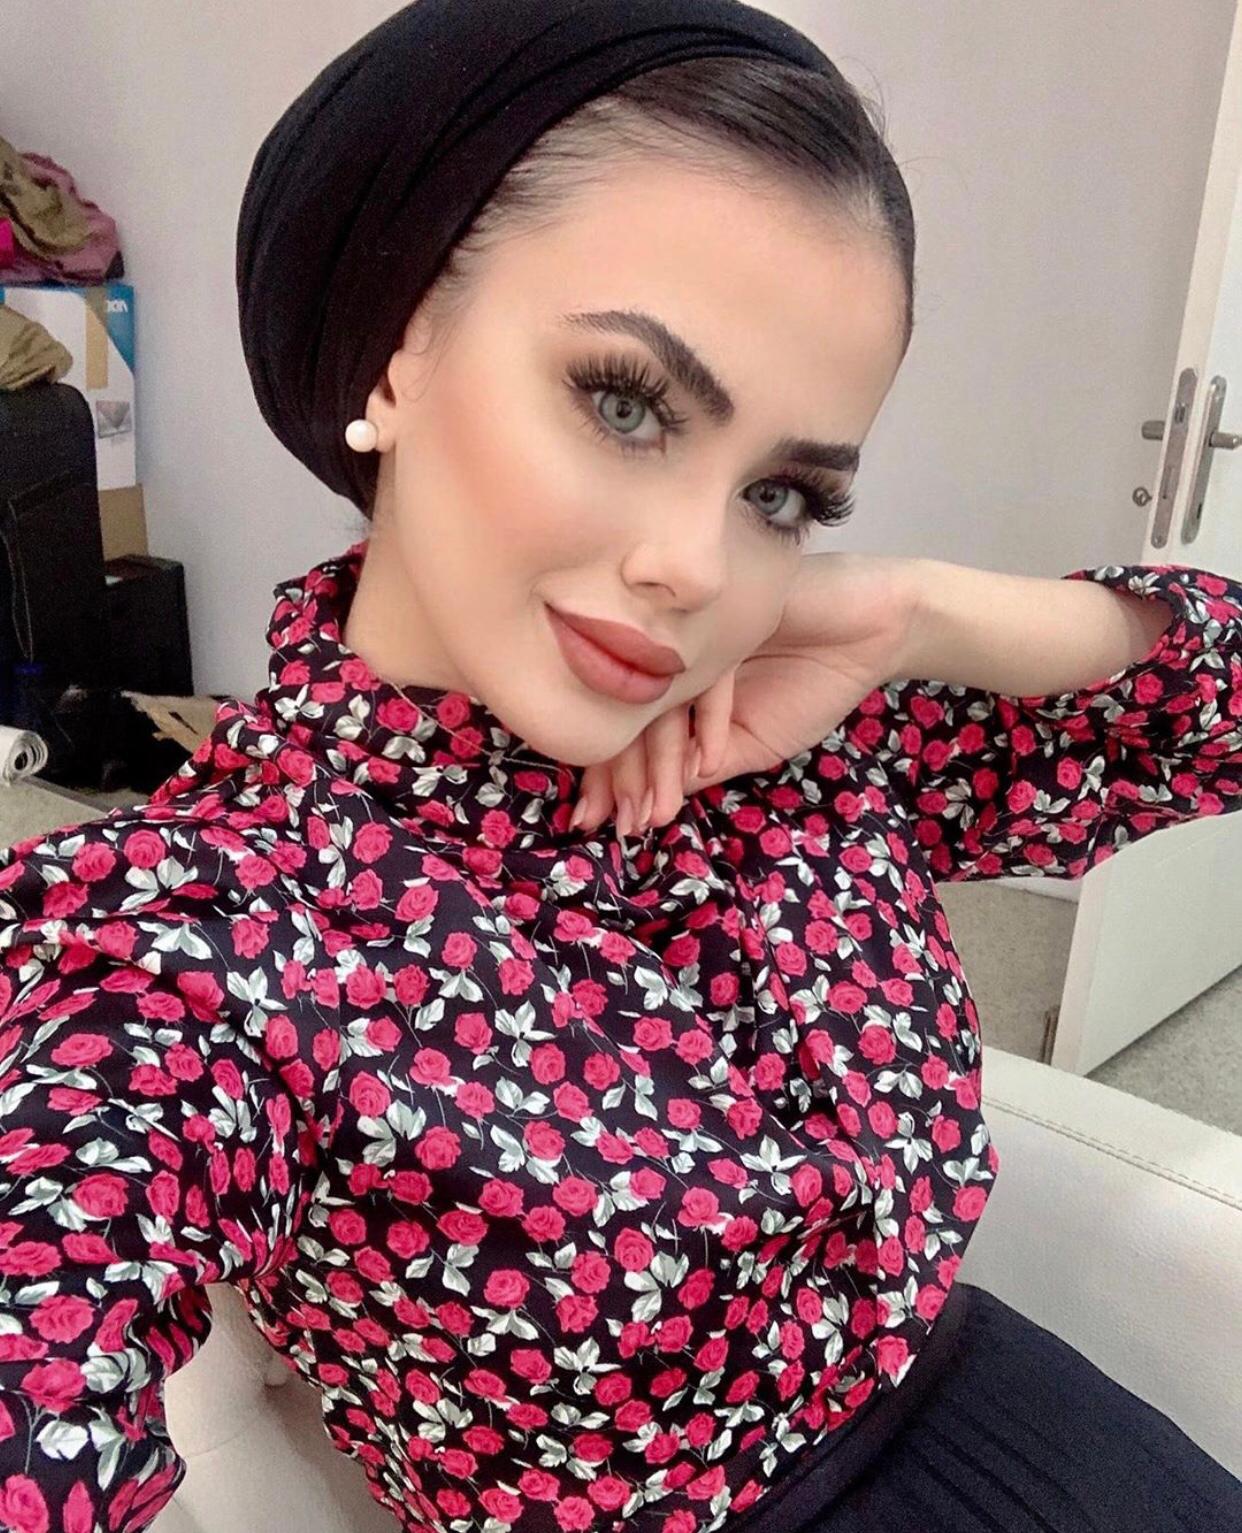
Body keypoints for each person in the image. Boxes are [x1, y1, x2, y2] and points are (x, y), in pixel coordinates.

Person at [1, 3, 1241, 1531]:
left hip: (1052, 1437)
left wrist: (922, 607)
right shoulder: (192, 934)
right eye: (624, 401)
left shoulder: (786, 742)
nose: (695, 567)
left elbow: (1215, 707)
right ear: (395, 349)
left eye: (783, 495)